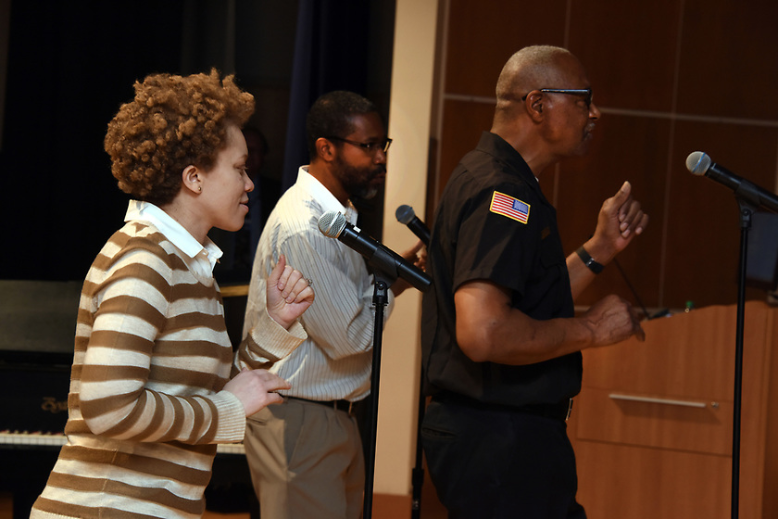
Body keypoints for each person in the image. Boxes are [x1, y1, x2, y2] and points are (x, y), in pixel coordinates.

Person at [30, 70, 314, 519]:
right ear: (194, 178)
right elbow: (108, 408)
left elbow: (208, 392)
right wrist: (226, 409)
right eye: (239, 169)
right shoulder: (146, 259)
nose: (250, 184)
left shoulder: (188, 263)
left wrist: (274, 326)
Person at [420, 45, 650, 518]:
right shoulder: (503, 193)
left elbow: (527, 301)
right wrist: (592, 331)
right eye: (584, 100)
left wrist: (599, 250)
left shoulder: (502, 182)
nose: (595, 113)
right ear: (539, 105)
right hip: (498, 440)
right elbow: (484, 332)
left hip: (502, 438)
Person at [236, 90, 423, 518]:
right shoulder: (306, 228)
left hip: (330, 417)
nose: (381, 158)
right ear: (327, 148)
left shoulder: (336, 216)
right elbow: (350, 337)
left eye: (383, 145)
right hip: (300, 421)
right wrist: (395, 285)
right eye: (369, 146)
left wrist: (396, 277)